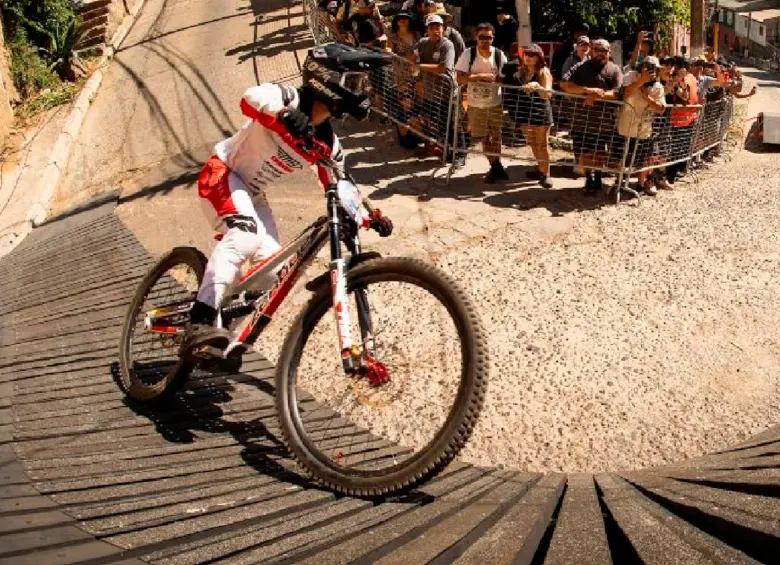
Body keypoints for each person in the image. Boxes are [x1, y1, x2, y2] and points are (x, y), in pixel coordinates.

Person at [183, 44, 395, 354]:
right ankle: (199, 320)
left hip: (252, 194)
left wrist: (367, 216)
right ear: (326, 78)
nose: (358, 92)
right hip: (223, 173)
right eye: (352, 83)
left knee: (274, 274)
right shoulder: (289, 97)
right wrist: (284, 115)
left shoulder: (328, 143)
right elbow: (250, 98)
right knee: (244, 236)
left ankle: (219, 336)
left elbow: (340, 182)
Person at [560, 38, 623, 194]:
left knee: (600, 152)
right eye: (597, 50)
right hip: (581, 120)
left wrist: (597, 96)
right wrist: (587, 91)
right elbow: (565, 85)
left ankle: (599, 178)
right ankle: (589, 177)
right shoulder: (580, 67)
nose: (600, 54)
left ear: (609, 52)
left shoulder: (615, 70)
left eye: (604, 51)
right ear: (591, 50)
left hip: (604, 121)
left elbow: (618, 93)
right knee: (586, 152)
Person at [456, 22, 508, 183]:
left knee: (497, 137)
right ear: (476, 37)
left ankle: (495, 166)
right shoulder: (468, 54)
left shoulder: (499, 55)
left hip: (495, 103)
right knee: (485, 137)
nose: (485, 40)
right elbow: (459, 78)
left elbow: (504, 78)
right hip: (475, 104)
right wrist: (480, 77)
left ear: (493, 38)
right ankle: (495, 166)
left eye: (489, 37)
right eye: (482, 37)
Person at [414, 13, 465, 167]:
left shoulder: (447, 45)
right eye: (432, 27)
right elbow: (413, 57)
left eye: (438, 27)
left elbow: (444, 68)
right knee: (438, 123)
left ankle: (460, 154)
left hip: (446, 91)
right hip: (430, 91)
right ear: (427, 30)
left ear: (443, 28)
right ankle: (447, 151)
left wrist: (419, 66)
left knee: (453, 124)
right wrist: (417, 73)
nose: (435, 30)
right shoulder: (422, 43)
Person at [502, 43, 554, 187]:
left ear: (539, 57)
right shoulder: (522, 72)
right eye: (526, 54)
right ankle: (540, 168)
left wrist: (537, 86)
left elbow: (548, 94)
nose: (529, 57)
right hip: (525, 113)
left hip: (540, 113)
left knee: (542, 145)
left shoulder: (543, 72)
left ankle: (546, 174)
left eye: (532, 55)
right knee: (532, 143)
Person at [615, 56, 667, 195]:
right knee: (621, 158)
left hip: (644, 129)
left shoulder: (658, 86)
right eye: (647, 67)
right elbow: (624, 93)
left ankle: (641, 183)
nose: (650, 70)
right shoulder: (630, 76)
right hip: (625, 126)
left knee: (645, 159)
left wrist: (647, 98)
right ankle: (619, 183)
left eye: (653, 68)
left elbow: (661, 108)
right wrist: (640, 82)